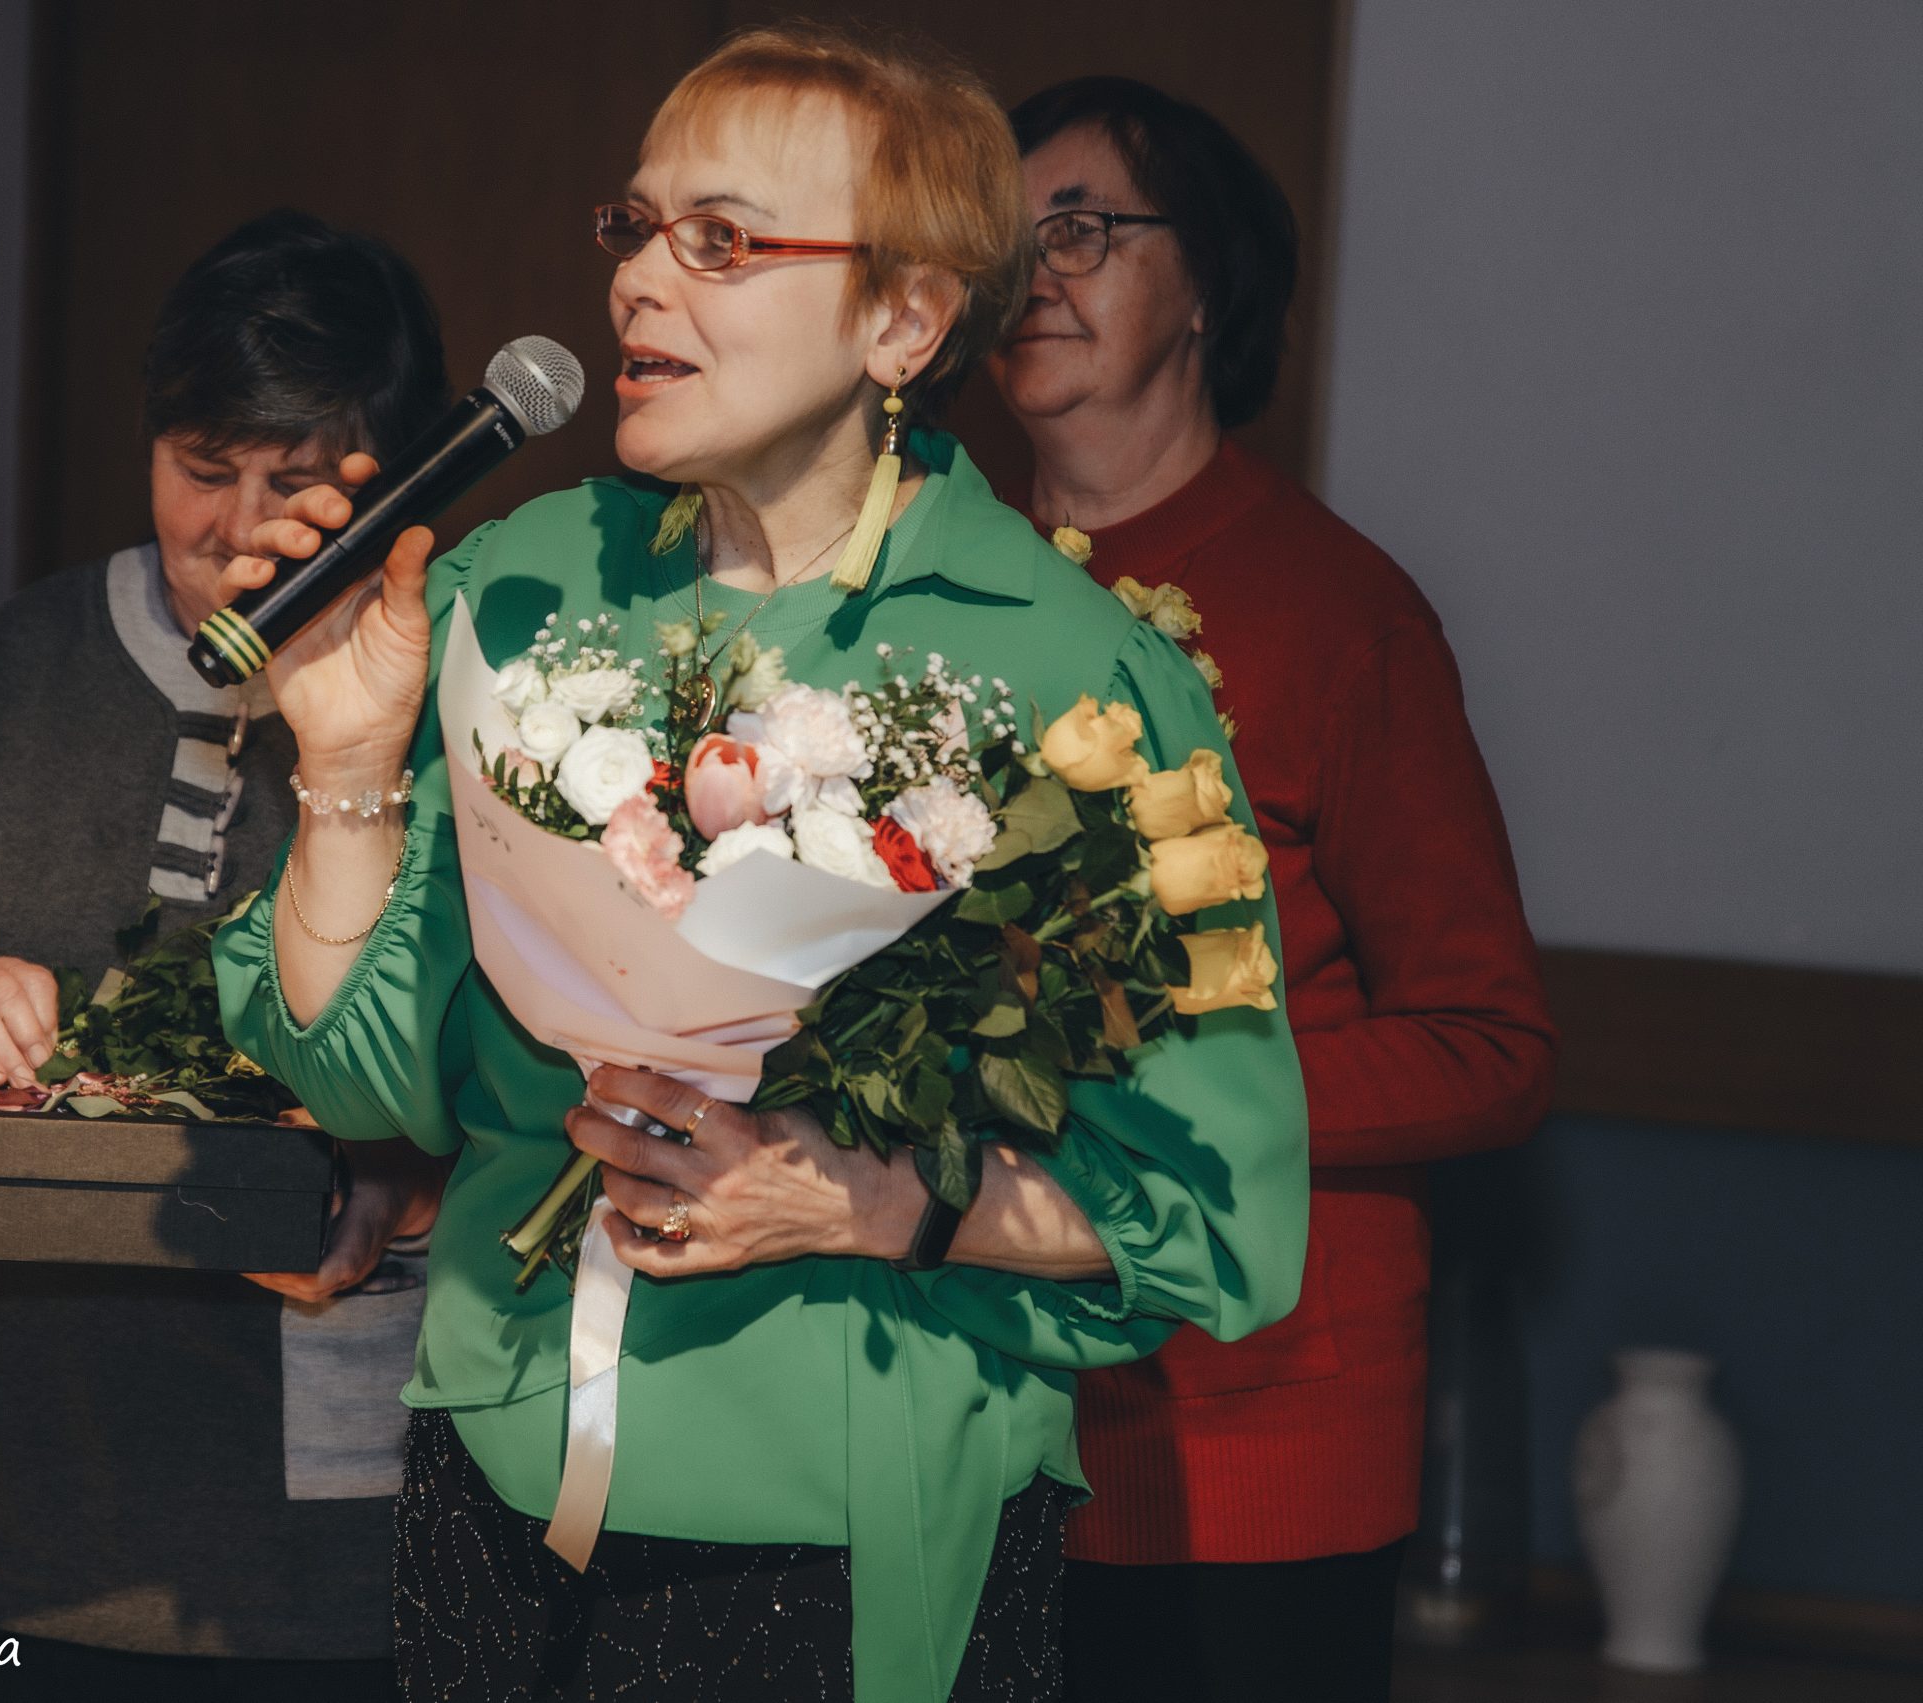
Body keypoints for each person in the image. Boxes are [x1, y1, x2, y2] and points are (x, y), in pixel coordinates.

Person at [206, 27, 1309, 1703]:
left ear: (904, 320)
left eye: (720, 240)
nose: (641, 282)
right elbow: (359, 1080)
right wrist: (349, 769)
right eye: (636, 228)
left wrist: (887, 1202)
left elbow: (1219, 1217)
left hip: (839, 1513)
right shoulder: (517, 585)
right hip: (494, 1463)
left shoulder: (1079, 679)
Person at [0, 210, 452, 1703]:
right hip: (25, 1501)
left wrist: (412, 1172)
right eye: (201, 468)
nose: (236, 526)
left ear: (393, 479)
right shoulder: (21, 665)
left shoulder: (465, 692)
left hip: (332, 1542)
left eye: (293, 480)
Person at [988, 77, 1558, 1703]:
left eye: (1084, 231)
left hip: (1252, 1431)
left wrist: (1170, 1095)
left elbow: (1491, 1046)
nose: (1034, 275)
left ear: (1209, 289)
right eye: (1003, 241)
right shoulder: (930, 589)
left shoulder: (1340, 613)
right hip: (976, 1395)